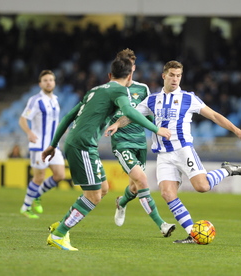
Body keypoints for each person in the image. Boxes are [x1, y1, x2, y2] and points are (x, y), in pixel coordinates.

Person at [106, 60, 241, 244]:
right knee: (167, 194)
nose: (175, 79)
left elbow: (214, 115)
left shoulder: (188, 98)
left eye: (178, 76)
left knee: (202, 187)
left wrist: (237, 131)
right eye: (172, 75)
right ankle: (193, 233)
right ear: (164, 76)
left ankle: (228, 170)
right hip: (164, 155)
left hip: (183, 150)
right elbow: (132, 115)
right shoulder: (153, 99)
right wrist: (118, 124)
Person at [42, 57, 171, 251]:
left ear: (109, 75)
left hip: (79, 142)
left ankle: (61, 224)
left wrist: (53, 144)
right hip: (83, 144)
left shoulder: (94, 90)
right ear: (129, 77)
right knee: (93, 196)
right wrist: (156, 129)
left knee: (102, 189)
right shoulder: (120, 90)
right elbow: (129, 110)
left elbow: (69, 116)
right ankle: (59, 234)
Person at [110, 49, 175, 237]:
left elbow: (151, 115)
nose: (129, 69)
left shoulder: (143, 89)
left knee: (134, 187)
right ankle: (162, 225)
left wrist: (159, 132)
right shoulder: (110, 89)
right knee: (142, 181)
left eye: (131, 65)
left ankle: (121, 202)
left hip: (140, 142)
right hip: (122, 142)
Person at [19, 70, 65, 219]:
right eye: (45, 80)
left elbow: (55, 121)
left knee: (60, 175)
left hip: (53, 145)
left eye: (51, 80)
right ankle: (25, 207)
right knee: (39, 177)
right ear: (40, 83)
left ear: (54, 82)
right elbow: (23, 119)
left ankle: (37, 195)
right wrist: (29, 132)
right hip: (39, 145)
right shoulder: (36, 100)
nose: (48, 82)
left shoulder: (55, 100)